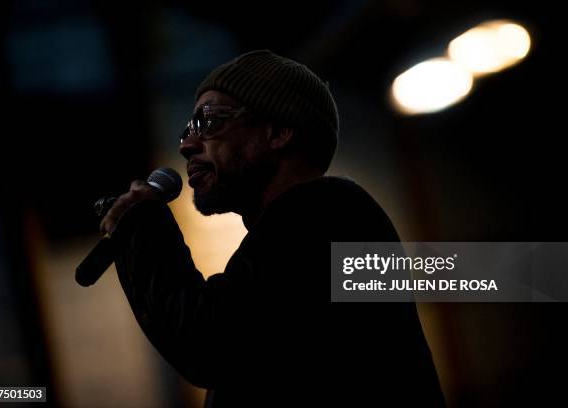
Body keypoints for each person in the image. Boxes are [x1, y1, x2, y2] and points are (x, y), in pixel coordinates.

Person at [101, 50, 445, 407]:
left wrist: (142, 228)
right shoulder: (303, 227)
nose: (187, 145)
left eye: (208, 122)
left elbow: (207, 344)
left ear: (278, 131)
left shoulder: (326, 215)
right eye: (188, 130)